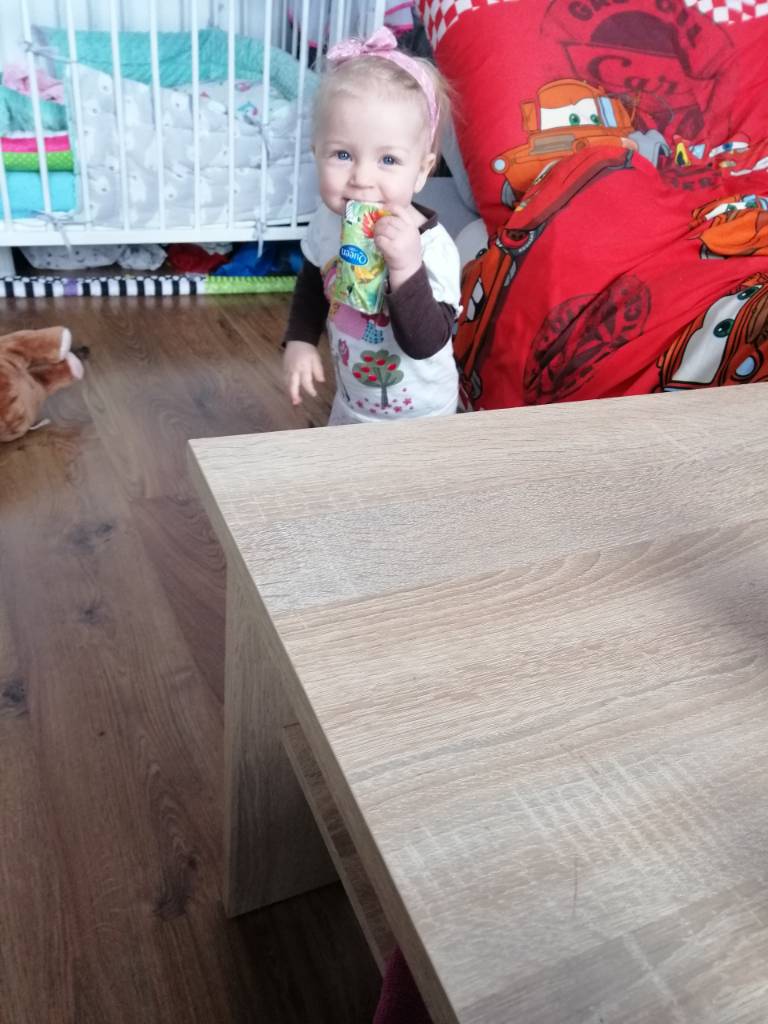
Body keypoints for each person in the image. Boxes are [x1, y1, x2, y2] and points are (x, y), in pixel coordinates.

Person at [282, 27, 461, 424]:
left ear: (421, 171)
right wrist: (300, 340)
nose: (362, 178)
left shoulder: (433, 247)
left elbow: (427, 343)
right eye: (342, 154)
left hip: (424, 414)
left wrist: (406, 267)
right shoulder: (326, 223)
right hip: (352, 403)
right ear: (316, 153)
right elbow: (312, 282)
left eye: (388, 160)